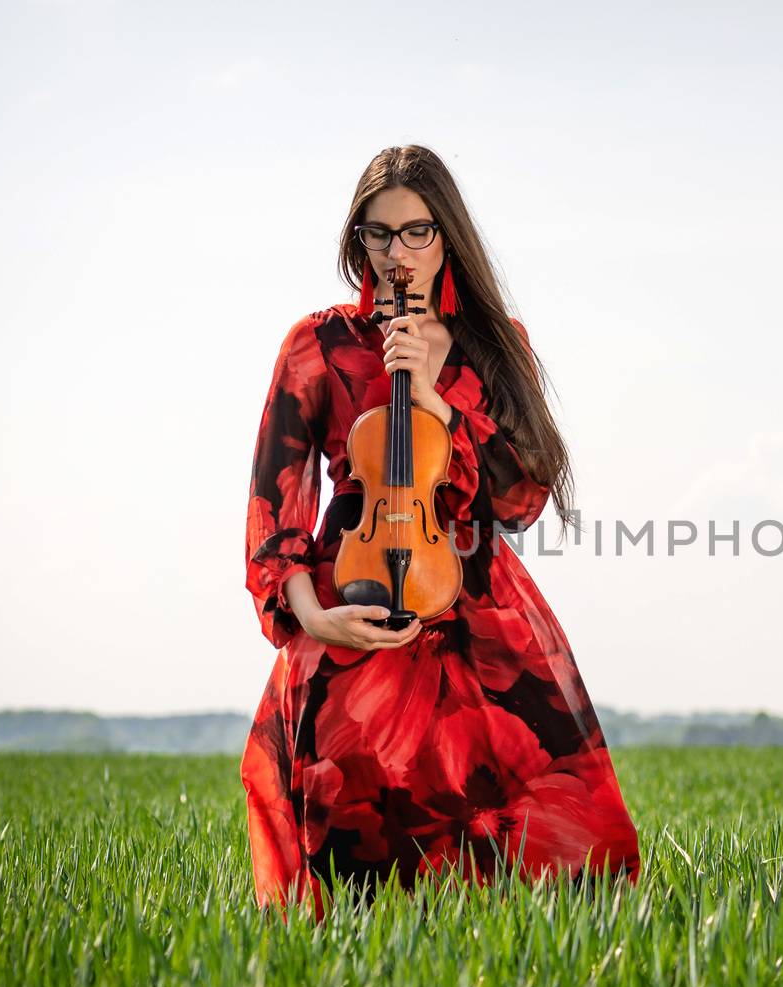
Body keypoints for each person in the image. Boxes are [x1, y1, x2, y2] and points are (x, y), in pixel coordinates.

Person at [240, 144, 641, 921]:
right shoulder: (315, 345)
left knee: (547, 813)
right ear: (357, 241)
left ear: (447, 235)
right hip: (354, 588)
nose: (398, 254)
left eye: (417, 232)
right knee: (354, 819)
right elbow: (275, 499)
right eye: (379, 234)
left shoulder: (495, 344)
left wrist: (439, 393)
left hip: (478, 589)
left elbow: (521, 499)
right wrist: (310, 615)